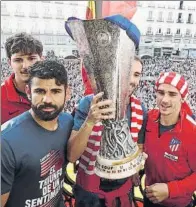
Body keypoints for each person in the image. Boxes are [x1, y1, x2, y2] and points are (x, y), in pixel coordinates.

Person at [67, 56, 147, 207]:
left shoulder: (141, 109)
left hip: (123, 190)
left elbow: (138, 147)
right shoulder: (88, 104)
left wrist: (136, 167)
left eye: (136, 75)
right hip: (89, 192)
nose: (131, 80)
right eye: (127, 72)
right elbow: (72, 155)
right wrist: (90, 120)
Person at [1, 60, 73, 207]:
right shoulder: (6, 141)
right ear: (28, 92)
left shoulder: (67, 123)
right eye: (40, 91)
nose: (47, 99)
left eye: (55, 91)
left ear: (67, 93)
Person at [143, 71, 196, 207]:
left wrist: (170, 190)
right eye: (161, 93)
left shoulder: (192, 131)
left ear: (182, 98)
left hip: (178, 203)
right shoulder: (148, 119)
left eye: (172, 94)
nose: (165, 100)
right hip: (149, 197)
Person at [1, 32, 44, 124]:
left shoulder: (53, 91)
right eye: (18, 60)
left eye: (31, 58)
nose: (25, 66)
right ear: (9, 63)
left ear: (41, 60)